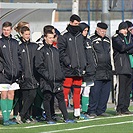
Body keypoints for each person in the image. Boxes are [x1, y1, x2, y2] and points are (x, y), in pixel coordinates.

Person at [35, 29, 75, 124]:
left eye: (52, 38)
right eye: (49, 38)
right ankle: (49, 118)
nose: (51, 39)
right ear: (45, 38)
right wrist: (47, 76)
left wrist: (61, 75)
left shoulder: (55, 50)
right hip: (47, 80)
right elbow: (39, 66)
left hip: (57, 79)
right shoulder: (41, 50)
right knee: (47, 98)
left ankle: (66, 118)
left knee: (61, 98)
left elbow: (60, 64)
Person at [57, 14, 87, 119]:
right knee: (66, 90)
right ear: (70, 23)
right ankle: (63, 112)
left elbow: (83, 51)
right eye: (75, 24)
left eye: (78, 24)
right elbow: (61, 51)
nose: (77, 26)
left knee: (78, 90)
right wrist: (68, 63)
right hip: (68, 68)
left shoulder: (80, 36)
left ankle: (77, 112)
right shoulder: (64, 36)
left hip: (79, 68)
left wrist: (84, 63)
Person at [88, 22, 112, 118]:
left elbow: (110, 53)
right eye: (102, 30)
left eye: (105, 31)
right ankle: (92, 110)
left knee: (105, 92)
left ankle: (101, 110)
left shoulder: (107, 40)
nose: (103, 32)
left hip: (107, 70)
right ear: (97, 29)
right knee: (95, 92)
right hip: (97, 70)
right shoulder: (91, 39)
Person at [0, 21, 22, 126]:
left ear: (11, 30)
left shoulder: (15, 42)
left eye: (8, 30)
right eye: (4, 30)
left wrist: (19, 70)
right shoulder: (0, 42)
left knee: (11, 94)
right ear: (2, 30)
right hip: (3, 74)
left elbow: (18, 57)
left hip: (14, 74)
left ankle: (8, 117)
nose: (6, 32)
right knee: (3, 94)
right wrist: (2, 69)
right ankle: (5, 119)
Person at [16, 26, 39, 123]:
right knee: (25, 98)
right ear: (21, 34)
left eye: (29, 34)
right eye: (26, 34)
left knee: (32, 95)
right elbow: (18, 62)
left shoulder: (34, 46)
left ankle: (21, 115)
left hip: (33, 75)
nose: (28, 36)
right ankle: (26, 116)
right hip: (24, 76)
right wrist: (20, 74)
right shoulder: (19, 47)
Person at [112, 21, 133, 115]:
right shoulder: (116, 38)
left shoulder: (129, 37)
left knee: (127, 89)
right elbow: (122, 48)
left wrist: (128, 47)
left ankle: (125, 107)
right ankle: (119, 108)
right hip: (121, 67)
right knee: (120, 89)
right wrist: (129, 47)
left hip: (130, 67)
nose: (125, 31)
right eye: (124, 29)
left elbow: (128, 48)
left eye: (126, 29)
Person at [12, 21, 30, 123]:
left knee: (25, 95)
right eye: (26, 28)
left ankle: (25, 115)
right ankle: (16, 114)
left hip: (26, 71)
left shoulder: (26, 40)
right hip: (18, 70)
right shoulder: (16, 40)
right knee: (18, 95)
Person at [79, 22, 96, 119]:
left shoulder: (88, 41)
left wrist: (93, 66)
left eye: (87, 30)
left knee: (87, 91)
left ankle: (85, 111)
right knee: (79, 91)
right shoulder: (78, 41)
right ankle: (77, 110)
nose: (86, 32)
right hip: (83, 70)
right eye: (84, 30)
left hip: (90, 70)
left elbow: (91, 55)